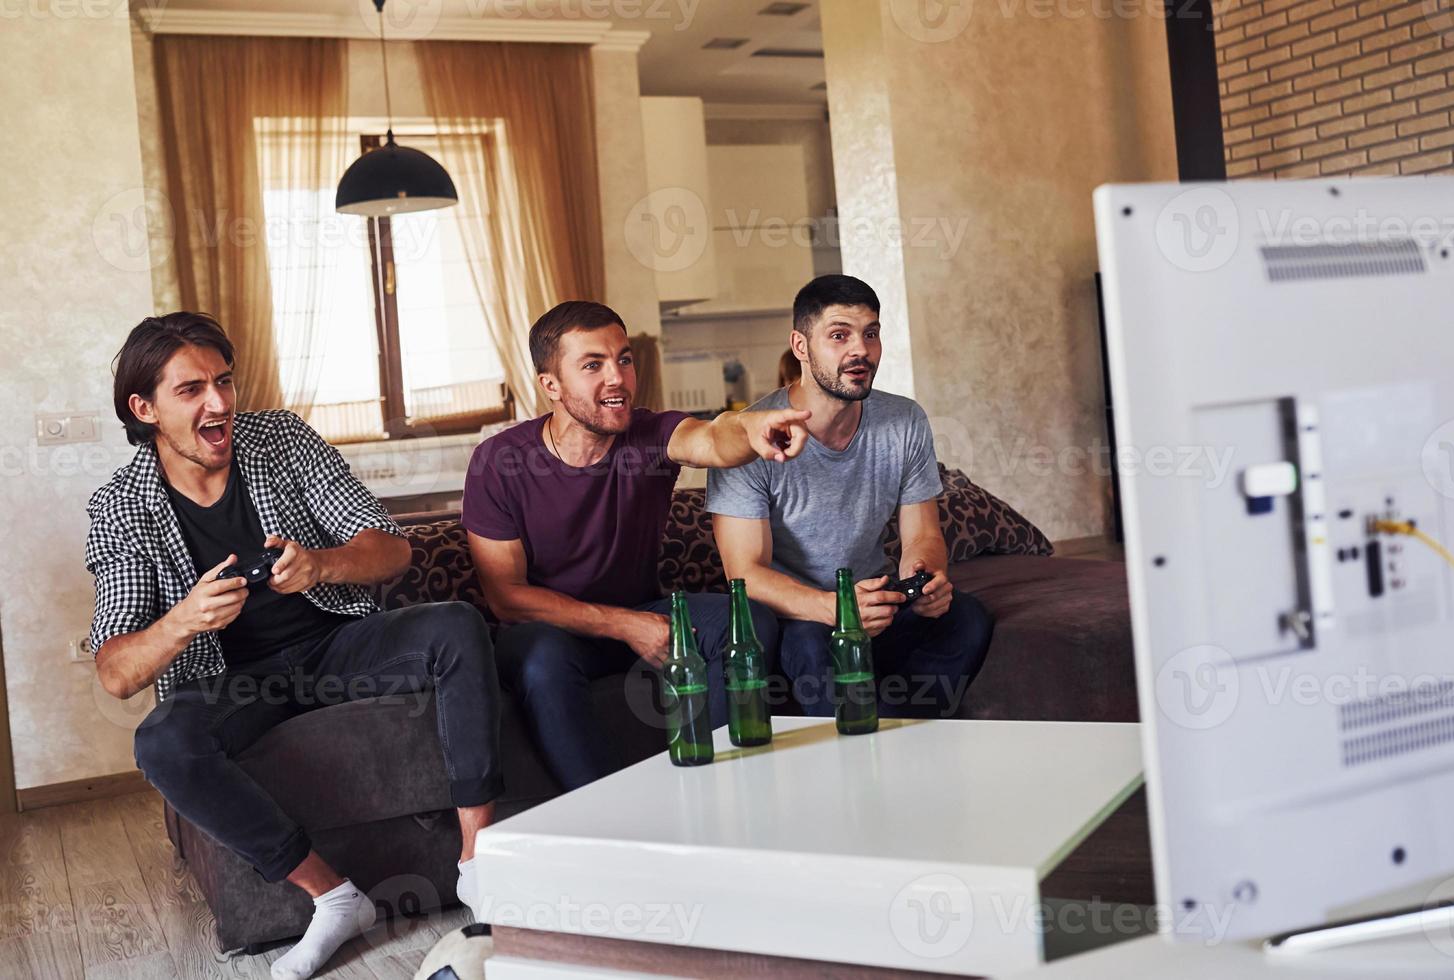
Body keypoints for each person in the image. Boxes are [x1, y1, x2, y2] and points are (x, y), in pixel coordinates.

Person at [87, 313, 503, 980]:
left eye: (223, 381)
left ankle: (480, 868)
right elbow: (115, 670)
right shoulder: (123, 506)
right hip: (230, 679)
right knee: (162, 741)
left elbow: (389, 546)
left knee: (454, 625)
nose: (218, 403)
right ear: (145, 409)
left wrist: (321, 565)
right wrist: (185, 619)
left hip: (334, 645)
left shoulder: (281, 440)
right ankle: (334, 900)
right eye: (191, 390)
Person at [464, 301, 810, 790]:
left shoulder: (648, 434)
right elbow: (507, 597)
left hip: (640, 609)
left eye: (624, 359)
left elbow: (711, 439)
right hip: (550, 632)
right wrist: (625, 625)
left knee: (747, 620)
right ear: (551, 386)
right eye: (593, 365)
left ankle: (712, 785)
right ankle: (605, 812)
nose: (618, 378)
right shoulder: (499, 462)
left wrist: (750, 426)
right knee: (542, 658)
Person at [707, 275, 994, 719]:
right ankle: (863, 758)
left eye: (871, 334)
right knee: (811, 645)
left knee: (966, 618)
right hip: (800, 617)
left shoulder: (904, 420)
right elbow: (744, 574)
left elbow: (922, 534)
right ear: (800, 346)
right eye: (839, 335)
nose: (860, 350)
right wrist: (835, 609)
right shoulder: (750, 437)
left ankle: (905, 731)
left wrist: (926, 577)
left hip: (878, 603)